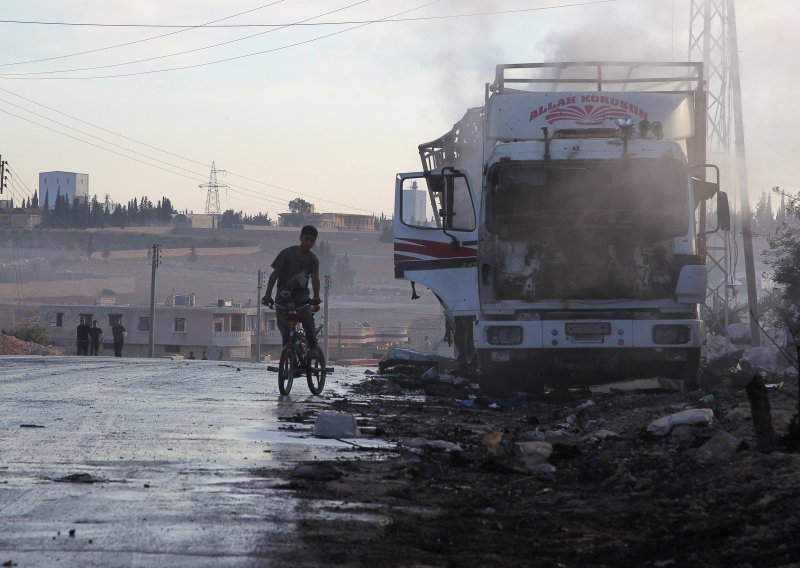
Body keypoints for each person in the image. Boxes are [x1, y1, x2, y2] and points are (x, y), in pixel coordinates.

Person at [262, 225, 321, 352]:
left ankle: (313, 349)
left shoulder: (313, 259)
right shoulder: (286, 254)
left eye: (312, 240)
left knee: (308, 322)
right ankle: (287, 351)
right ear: (300, 238)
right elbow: (274, 275)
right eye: (307, 239)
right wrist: (268, 294)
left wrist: (316, 296)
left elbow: (315, 278)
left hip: (302, 297)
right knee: (284, 328)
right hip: (283, 296)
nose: (309, 242)